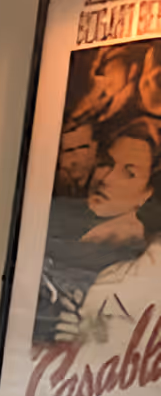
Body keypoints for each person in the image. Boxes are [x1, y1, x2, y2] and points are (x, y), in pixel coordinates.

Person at [39, 117, 161, 342]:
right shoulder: (64, 220)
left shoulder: (133, 256)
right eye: (106, 163)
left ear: (148, 193)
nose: (106, 178)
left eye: (129, 173)